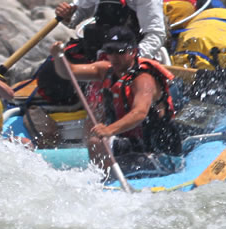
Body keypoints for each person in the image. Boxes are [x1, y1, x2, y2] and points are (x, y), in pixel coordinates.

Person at [52, 26, 182, 169]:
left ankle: (112, 177)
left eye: (120, 52)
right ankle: (104, 178)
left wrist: (109, 130)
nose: (114, 57)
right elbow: (68, 72)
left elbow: (139, 113)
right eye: (110, 51)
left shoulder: (143, 79)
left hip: (158, 148)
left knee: (100, 139)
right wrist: (59, 57)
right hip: (132, 142)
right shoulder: (105, 70)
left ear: (133, 52)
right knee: (95, 140)